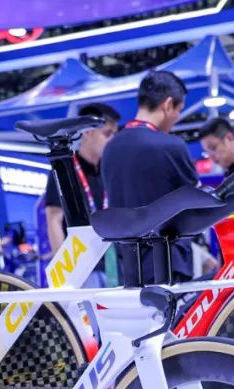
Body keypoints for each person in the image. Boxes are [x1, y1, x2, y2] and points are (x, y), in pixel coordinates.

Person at [102, 70, 199, 285]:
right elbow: (197, 202)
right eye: (179, 110)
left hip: (128, 270)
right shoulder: (171, 146)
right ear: (168, 105)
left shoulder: (109, 149)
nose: (177, 118)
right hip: (169, 265)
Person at [42, 102, 120, 287]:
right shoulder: (65, 169)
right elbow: (53, 219)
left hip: (113, 264)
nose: (111, 140)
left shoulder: (109, 170)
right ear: (88, 132)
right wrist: (66, 274)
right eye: (107, 134)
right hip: (82, 267)